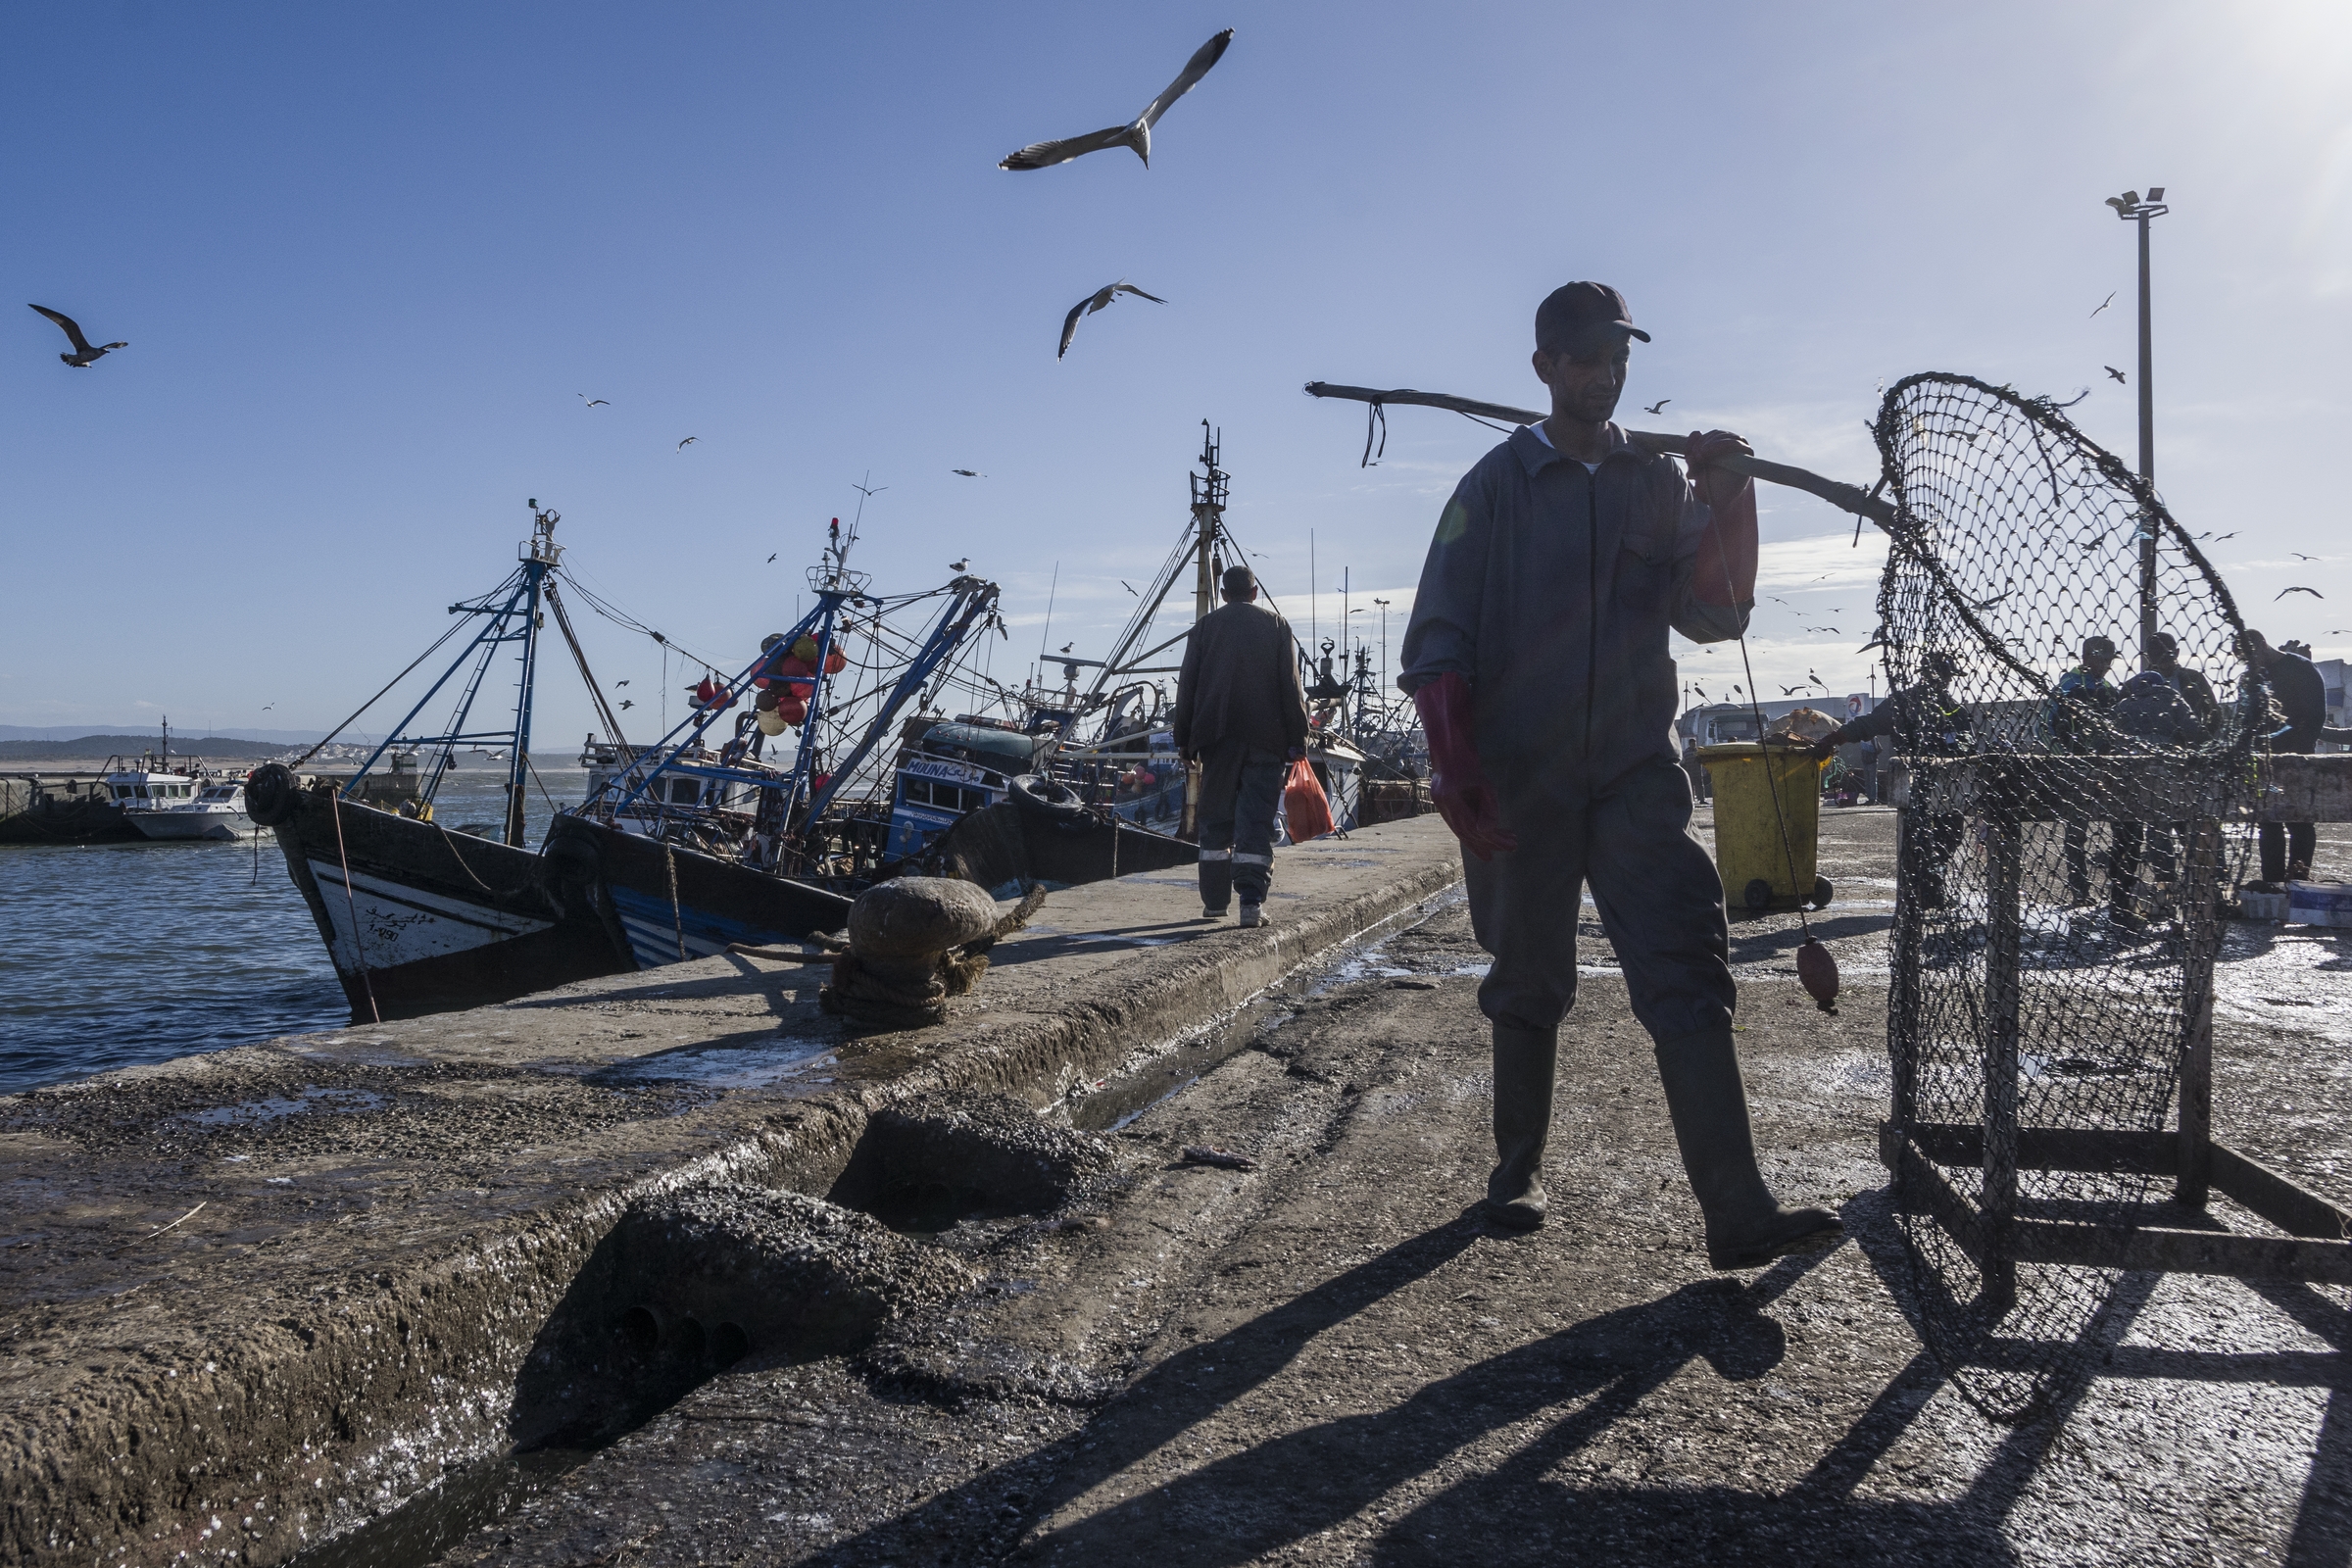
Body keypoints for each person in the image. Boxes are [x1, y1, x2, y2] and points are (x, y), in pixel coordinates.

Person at [1397, 279, 1841, 1268]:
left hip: (1636, 769)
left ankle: (1737, 1209)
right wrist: (1453, 765)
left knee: (1686, 963)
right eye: (1587, 357)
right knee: (1528, 973)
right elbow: (1436, 642)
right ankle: (1515, 1171)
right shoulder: (1492, 489)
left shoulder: (1656, 486)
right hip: (1521, 776)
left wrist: (1730, 497)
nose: (1607, 373)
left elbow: (1716, 615)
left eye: (1619, 356)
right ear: (1545, 367)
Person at [1172, 564, 1309, 927]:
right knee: (1256, 820)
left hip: (1216, 736)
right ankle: (1250, 903)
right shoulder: (1277, 626)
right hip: (1266, 739)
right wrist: (1298, 739)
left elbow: (1187, 686)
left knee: (1215, 819)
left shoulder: (1204, 628)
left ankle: (1215, 904)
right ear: (1254, 593)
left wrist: (1183, 739)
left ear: (1223, 594)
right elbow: (1291, 687)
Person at [1812, 651, 1973, 907]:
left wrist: (1958, 753)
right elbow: (1868, 724)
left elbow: (1968, 744)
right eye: (1943, 675)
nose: (1945, 681)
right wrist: (1835, 738)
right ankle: (1922, 889)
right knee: (1922, 836)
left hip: (1945, 784)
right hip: (1918, 782)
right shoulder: (1906, 702)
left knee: (1948, 835)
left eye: (1947, 676)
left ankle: (1933, 886)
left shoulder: (1953, 709)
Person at [2106, 668, 2209, 935]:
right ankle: (2173, 889)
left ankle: (2121, 899)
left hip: (2128, 773)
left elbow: (2109, 737)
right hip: (2168, 769)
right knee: (2164, 828)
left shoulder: (2124, 705)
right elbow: (2195, 732)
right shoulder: (2173, 699)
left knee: (2127, 835)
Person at [2242, 629, 2328, 890]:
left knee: (2299, 821)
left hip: (2297, 758)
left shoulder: (2301, 668)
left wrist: (2300, 752)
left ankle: (2298, 884)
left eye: (2252, 657)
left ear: (2262, 646)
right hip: (2264, 760)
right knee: (2269, 823)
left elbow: (2315, 716)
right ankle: (2273, 884)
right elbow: (2248, 718)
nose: (2250, 664)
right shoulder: (2253, 676)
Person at [2039, 634, 2121, 905]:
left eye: (2110, 660)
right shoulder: (2067, 686)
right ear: (2088, 657)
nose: (2107, 665)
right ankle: (2080, 892)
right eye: (2103, 659)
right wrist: (2065, 759)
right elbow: (2045, 727)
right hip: (2074, 770)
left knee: (2123, 828)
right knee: (2076, 831)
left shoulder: (2109, 689)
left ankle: (2121, 892)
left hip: (2108, 769)